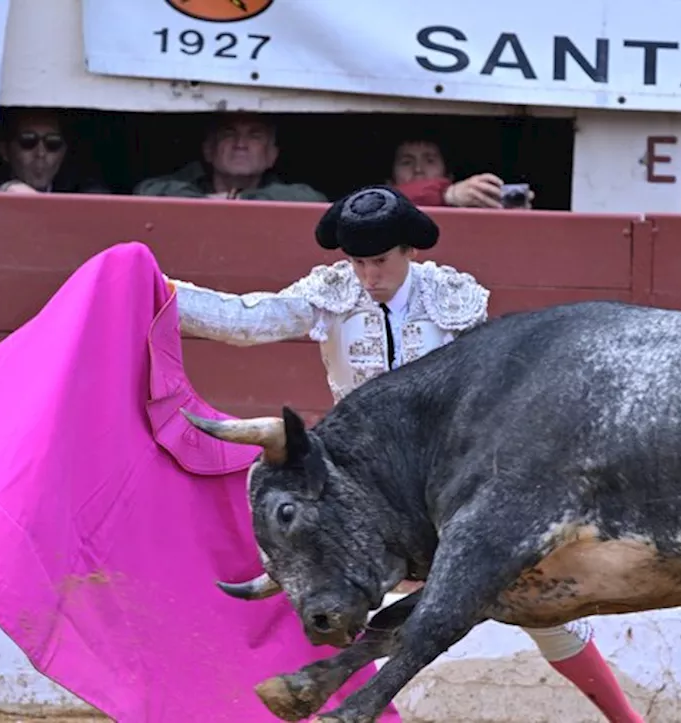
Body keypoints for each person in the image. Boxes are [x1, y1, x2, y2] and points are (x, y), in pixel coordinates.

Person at [165, 184, 644, 722]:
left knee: (540, 607)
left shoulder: (453, 300)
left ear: (409, 251)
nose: (368, 276)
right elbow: (246, 321)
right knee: (309, 577)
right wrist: (155, 290)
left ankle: (628, 721)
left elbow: (492, 389)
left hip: (445, 478)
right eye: (357, 262)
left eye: (379, 261)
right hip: (358, 487)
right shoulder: (332, 294)